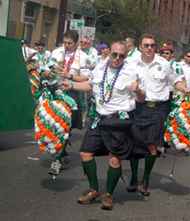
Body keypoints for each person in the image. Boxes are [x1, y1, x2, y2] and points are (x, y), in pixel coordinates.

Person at [62, 41, 138, 210]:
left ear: (125, 56)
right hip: (99, 119)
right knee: (85, 153)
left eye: (121, 56)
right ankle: (94, 189)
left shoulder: (130, 71)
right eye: (114, 54)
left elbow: (140, 97)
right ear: (109, 53)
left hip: (118, 120)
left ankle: (109, 195)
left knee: (114, 158)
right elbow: (90, 85)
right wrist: (72, 84)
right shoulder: (100, 67)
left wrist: (138, 90)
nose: (117, 58)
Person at [127, 34, 188, 196]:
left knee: (152, 145)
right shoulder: (131, 64)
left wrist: (183, 88)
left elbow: (177, 80)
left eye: (152, 45)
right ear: (140, 47)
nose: (149, 48)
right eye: (146, 45)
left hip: (157, 109)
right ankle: (133, 177)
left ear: (156, 48)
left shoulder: (164, 64)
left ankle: (145, 179)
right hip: (137, 108)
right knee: (134, 144)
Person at [48, 30, 91, 175]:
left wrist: (70, 75)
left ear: (76, 43)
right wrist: (51, 71)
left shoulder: (83, 57)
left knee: (66, 127)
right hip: (55, 92)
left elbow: (86, 78)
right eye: (65, 42)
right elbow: (46, 71)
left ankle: (57, 159)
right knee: (54, 125)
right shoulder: (56, 53)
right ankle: (61, 150)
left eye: (70, 43)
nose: (66, 45)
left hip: (71, 95)